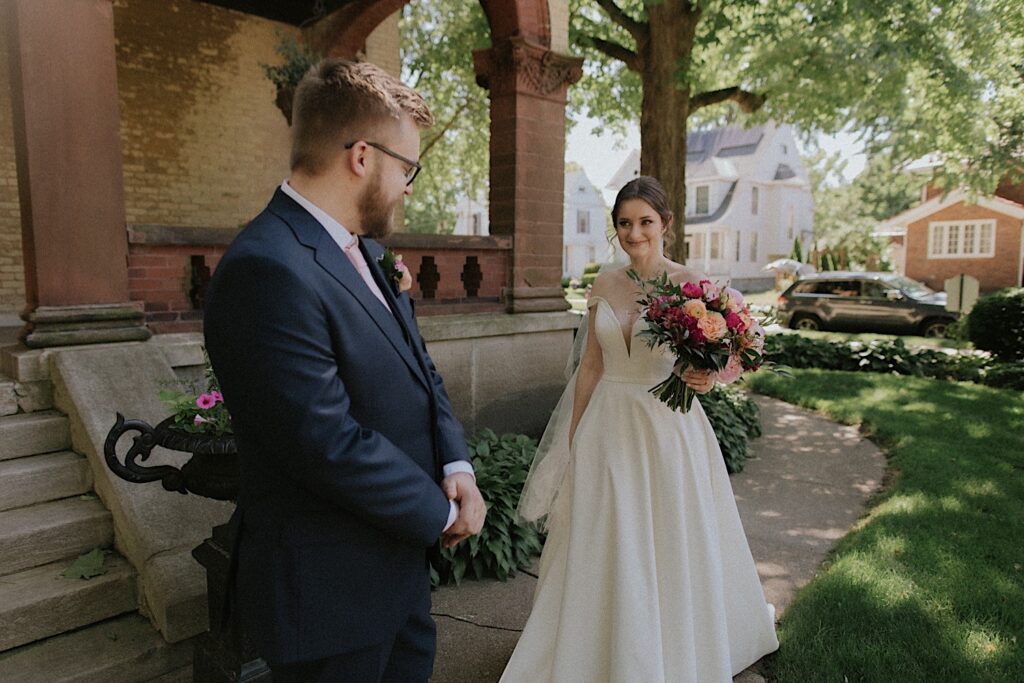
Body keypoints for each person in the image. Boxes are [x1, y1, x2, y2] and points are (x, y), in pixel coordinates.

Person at [203, 59, 486, 682]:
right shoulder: (267, 268)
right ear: (362, 155)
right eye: (407, 167)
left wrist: (456, 465)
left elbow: (421, 371)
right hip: (329, 601)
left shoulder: (370, 252)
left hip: (397, 578)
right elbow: (323, 441)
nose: (410, 186)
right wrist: (440, 515)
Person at [502, 176, 779, 682]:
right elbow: (590, 366)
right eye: (625, 223)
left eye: (645, 222)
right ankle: (597, 646)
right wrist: (572, 437)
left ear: (665, 225)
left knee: (667, 534)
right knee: (608, 532)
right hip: (608, 423)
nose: (635, 233)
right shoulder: (604, 284)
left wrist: (706, 377)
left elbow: (730, 353)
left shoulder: (691, 283)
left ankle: (669, 647)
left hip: (666, 428)